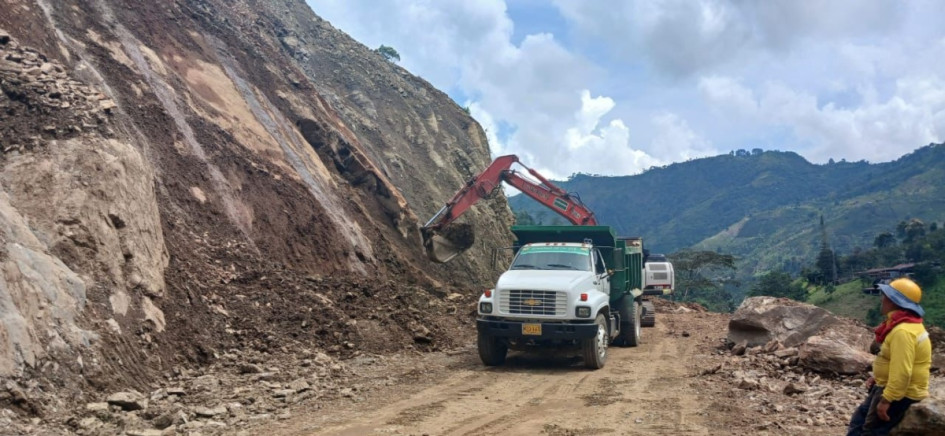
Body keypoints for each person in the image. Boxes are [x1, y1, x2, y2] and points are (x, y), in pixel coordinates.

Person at [847, 278, 932, 435]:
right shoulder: (901, 325)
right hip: (887, 386)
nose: (882, 299)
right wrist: (878, 377)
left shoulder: (903, 332)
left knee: (871, 431)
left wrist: (887, 400)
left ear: (894, 301)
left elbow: (902, 372)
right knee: (858, 421)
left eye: (885, 295)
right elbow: (893, 360)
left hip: (900, 393)